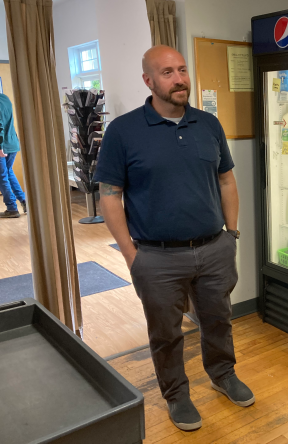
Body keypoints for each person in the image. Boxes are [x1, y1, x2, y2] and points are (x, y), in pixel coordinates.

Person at [94, 45, 253, 432]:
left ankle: (222, 373)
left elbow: (226, 179)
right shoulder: (123, 131)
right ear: (148, 81)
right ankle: (177, 394)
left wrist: (231, 233)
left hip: (214, 248)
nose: (179, 78)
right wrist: (132, 255)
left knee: (218, 319)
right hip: (157, 257)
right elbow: (110, 196)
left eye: (182, 69)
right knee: (165, 333)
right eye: (167, 72)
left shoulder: (208, 124)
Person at [0, 93, 27, 218]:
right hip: (12, 143)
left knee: (2, 177)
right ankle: (24, 200)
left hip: (3, 145)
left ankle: (12, 208)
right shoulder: (5, 98)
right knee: (8, 172)